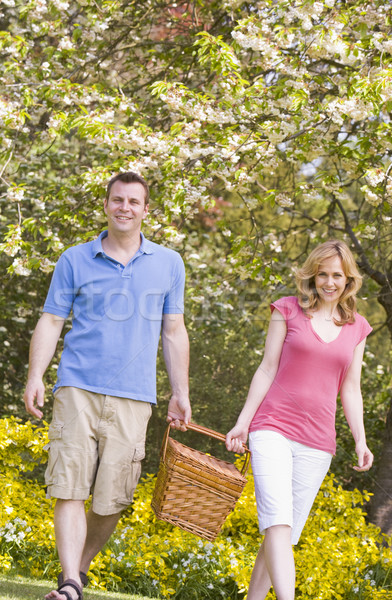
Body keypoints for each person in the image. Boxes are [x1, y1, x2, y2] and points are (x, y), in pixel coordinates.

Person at [23, 171, 191, 600]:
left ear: (146, 210)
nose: (125, 208)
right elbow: (52, 320)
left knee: (112, 498)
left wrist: (180, 392)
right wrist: (35, 376)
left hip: (135, 395)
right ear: (106, 205)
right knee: (69, 485)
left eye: (134, 202)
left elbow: (173, 330)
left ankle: (77, 570)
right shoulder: (75, 259)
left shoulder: (169, 263)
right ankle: (69, 582)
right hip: (77, 386)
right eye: (118, 200)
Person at [225, 240, 373, 600]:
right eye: (322, 274)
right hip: (272, 426)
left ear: (348, 279)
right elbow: (266, 368)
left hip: (318, 442)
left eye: (337, 275)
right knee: (277, 520)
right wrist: (243, 421)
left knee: (283, 534)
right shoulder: (287, 310)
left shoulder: (358, 327)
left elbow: (350, 389)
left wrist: (360, 440)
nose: (329, 282)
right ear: (312, 276)